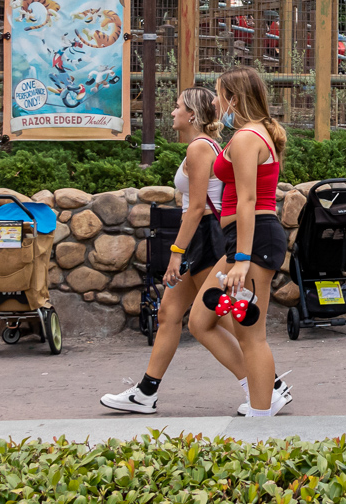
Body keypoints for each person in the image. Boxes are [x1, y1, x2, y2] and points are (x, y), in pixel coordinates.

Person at [100, 88, 228, 414]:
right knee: (170, 313)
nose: (172, 112)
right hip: (199, 240)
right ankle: (146, 392)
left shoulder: (200, 148)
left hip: (205, 241)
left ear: (192, 116)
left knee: (218, 320)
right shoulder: (199, 147)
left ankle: (267, 385)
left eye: (177, 107)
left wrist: (175, 252)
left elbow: (197, 207)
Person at [204, 67, 291, 416]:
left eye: (218, 94)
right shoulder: (249, 135)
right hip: (241, 240)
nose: (214, 101)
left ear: (234, 99)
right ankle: (261, 395)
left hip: (253, 240)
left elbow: (248, 200)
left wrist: (241, 258)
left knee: (251, 335)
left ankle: (261, 413)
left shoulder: (245, 138)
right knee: (200, 319)